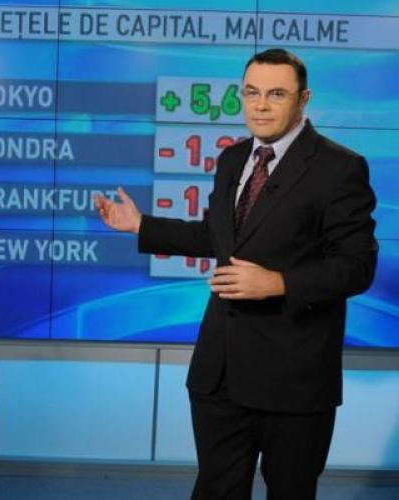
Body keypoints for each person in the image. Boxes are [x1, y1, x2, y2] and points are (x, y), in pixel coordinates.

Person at [94, 48, 378, 500]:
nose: (260, 105)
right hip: (220, 375)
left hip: (294, 380)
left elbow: (357, 266)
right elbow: (220, 236)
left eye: (276, 94)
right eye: (251, 93)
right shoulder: (232, 159)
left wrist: (279, 283)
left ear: (303, 99)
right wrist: (141, 225)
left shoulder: (339, 168)